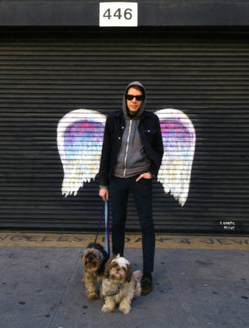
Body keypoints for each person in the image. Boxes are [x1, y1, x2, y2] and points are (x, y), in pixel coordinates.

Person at [98, 81, 164, 295]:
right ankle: (116, 268)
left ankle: (147, 274)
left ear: (143, 100)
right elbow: (106, 150)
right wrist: (103, 183)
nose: (134, 101)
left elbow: (159, 150)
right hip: (117, 179)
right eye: (130, 97)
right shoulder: (113, 119)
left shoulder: (151, 120)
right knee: (118, 223)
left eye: (138, 97)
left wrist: (151, 172)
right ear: (124, 98)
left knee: (147, 225)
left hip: (140, 178)